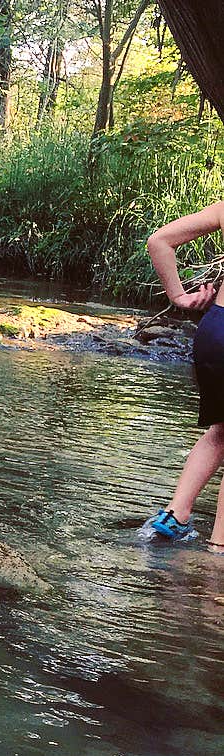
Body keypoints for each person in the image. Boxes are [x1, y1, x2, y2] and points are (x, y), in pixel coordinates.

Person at [145, 202, 224, 552]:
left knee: (219, 432)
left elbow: (159, 241)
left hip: (215, 330)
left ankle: (175, 516)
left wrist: (178, 295)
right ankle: (219, 548)